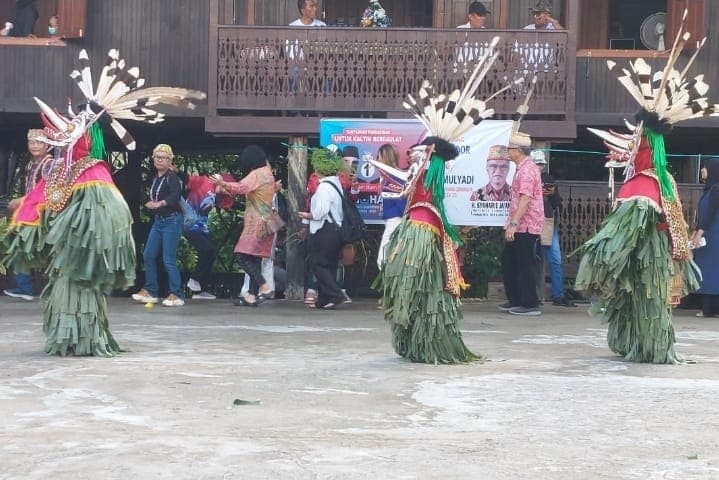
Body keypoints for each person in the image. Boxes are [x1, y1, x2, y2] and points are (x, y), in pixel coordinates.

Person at [210, 145, 276, 307]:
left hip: (257, 221)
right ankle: (251, 296)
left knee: (241, 255)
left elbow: (241, 187)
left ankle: (264, 286)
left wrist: (222, 183)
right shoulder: (268, 173)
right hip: (270, 220)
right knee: (254, 258)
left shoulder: (256, 174)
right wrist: (226, 188)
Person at [131, 144, 185, 307]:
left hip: (172, 220)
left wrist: (160, 203)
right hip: (159, 221)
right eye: (157, 157)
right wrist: (150, 204)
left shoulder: (172, 177)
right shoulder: (156, 178)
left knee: (168, 259)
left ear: (170, 161)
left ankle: (177, 294)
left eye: (164, 157)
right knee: (148, 255)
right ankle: (151, 290)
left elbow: (176, 195)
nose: (160, 160)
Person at [3, 129, 51, 301]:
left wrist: (21, 201)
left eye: (39, 142)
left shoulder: (49, 164)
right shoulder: (31, 164)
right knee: (21, 246)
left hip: (44, 212)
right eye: (32, 142)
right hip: (30, 210)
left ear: (48, 145)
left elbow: (46, 191)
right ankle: (25, 287)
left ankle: (28, 287)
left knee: (27, 246)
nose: (35, 145)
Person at [499, 132, 544, 316]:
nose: (507, 152)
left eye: (509, 149)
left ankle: (529, 303)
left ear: (518, 150)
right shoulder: (523, 167)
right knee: (510, 261)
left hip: (526, 224)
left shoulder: (526, 170)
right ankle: (516, 299)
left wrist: (514, 223)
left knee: (525, 263)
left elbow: (525, 198)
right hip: (519, 224)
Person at [297, 147, 347, 310]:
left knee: (318, 264)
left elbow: (320, 212)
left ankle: (335, 294)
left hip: (324, 230)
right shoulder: (337, 183)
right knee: (330, 265)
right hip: (336, 230)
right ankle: (325, 298)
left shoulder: (324, 186)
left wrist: (307, 216)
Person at [532, 149, 575, 307]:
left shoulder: (549, 179)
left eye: (541, 164)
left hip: (548, 221)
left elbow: (557, 202)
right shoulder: (525, 178)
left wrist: (549, 195)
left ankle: (558, 295)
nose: (540, 167)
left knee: (555, 260)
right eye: (537, 164)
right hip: (530, 222)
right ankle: (533, 295)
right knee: (531, 260)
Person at [179, 172, 229, 300]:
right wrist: (175, 170)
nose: (222, 188)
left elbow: (228, 204)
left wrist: (223, 192)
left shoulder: (218, 195)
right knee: (207, 250)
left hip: (202, 227)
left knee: (210, 254)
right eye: (221, 184)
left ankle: (201, 290)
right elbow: (187, 178)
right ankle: (195, 279)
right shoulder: (203, 181)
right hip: (190, 224)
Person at [691, 157, 719, 317]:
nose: (702, 170)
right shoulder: (709, 189)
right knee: (706, 271)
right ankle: (709, 308)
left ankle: (709, 309)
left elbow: (710, 213)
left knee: (711, 271)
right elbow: (702, 214)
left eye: (704, 167)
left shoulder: (716, 189)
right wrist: (696, 230)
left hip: (714, 235)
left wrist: (700, 231)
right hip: (708, 234)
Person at [375, 143, 407, 269]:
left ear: (384, 158)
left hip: (396, 221)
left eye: (379, 157)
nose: (377, 160)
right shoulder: (388, 177)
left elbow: (402, 202)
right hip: (392, 220)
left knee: (383, 259)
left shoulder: (395, 177)